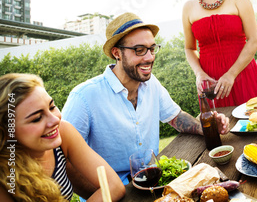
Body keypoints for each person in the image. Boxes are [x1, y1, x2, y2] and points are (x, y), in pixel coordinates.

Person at [61, 12, 230, 190]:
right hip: (110, 189)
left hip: (154, 179)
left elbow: (175, 117)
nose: (149, 57)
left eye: (151, 48)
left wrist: (206, 128)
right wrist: (104, 196)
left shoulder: (151, 84)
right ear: (116, 53)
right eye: (139, 50)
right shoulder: (84, 97)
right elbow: (66, 160)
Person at [0, 73, 125, 201]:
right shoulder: (5, 177)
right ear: (7, 132)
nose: (54, 120)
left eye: (52, 107)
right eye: (37, 118)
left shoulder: (63, 131)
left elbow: (113, 186)